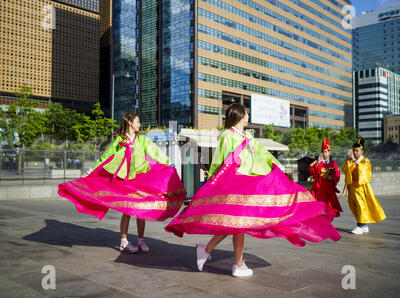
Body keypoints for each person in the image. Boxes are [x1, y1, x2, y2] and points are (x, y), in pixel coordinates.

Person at [165, 103, 341, 277]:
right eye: (246, 114)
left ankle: (211, 252)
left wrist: (277, 166)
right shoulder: (227, 135)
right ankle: (235, 263)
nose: (248, 117)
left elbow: (262, 154)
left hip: (250, 183)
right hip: (234, 185)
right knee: (238, 223)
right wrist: (214, 182)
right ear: (241, 116)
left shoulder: (248, 136)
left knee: (238, 223)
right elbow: (221, 161)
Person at [58, 112, 186, 253]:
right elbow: (105, 157)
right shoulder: (119, 141)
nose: (139, 124)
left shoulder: (142, 140)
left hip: (140, 180)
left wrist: (170, 163)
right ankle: (124, 242)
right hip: (124, 181)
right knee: (127, 212)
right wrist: (89, 172)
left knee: (141, 212)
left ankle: (140, 241)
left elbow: (155, 152)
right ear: (130, 123)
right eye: (137, 121)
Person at [342, 137, 386, 235]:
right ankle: (364, 225)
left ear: (362, 151)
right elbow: (345, 170)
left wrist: (355, 162)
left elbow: (365, 173)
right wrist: (347, 161)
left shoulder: (366, 161)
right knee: (354, 207)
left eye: (356, 151)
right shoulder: (351, 161)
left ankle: (360, 226)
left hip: (361, 188)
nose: (354, 152)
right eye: (353, 151)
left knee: (361, 206)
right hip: (352, 187)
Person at [308, 139, 342, 216]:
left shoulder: (333, 163)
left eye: (326, 152)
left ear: (329, 152)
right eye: (323, 151)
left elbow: (337, 174)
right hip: (319, 189)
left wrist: (332, 177)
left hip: (328, 189)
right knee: (318, 210)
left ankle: (327, 225)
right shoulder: (317, 162)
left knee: (330, 210)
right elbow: (311, 170)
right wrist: (317, 164)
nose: (325, 154)